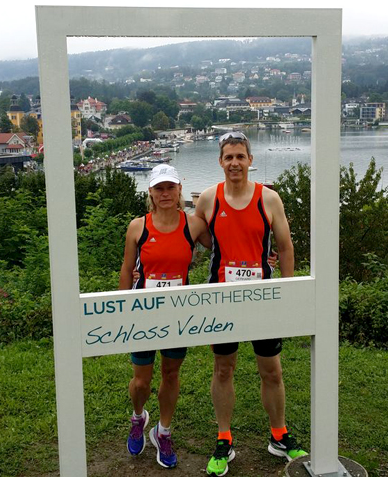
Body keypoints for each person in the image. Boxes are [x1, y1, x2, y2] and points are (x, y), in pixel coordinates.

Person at [194, 131, 307, 476]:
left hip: (262, 297)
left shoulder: (269, 199)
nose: (234, 163)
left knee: (271, 369)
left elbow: (285, 247)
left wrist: (287, 291)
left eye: (240, 156)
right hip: (222, 297)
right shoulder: (209, 199)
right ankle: (224, 438)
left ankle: (279, 435)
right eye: (228, 157)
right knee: (223, 368)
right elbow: (196, 235)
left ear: (250, 160)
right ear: (220, 162)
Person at [119, 164, 209, 469]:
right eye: (159, 188)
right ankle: (138, 417)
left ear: (180, 189)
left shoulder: (193, 225)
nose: (165, 194)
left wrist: (266, 257)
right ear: (151, 193)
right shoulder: (138, 226)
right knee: (141, 382)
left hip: (178, 313)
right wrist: (121, 308)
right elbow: (125, 269)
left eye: (171, 187)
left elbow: (225, 243)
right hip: (143, 313)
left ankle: (163, 432)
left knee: (171, 375)